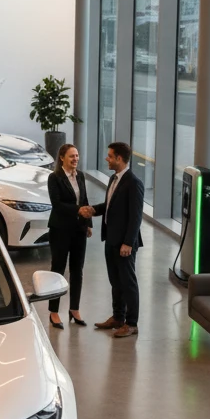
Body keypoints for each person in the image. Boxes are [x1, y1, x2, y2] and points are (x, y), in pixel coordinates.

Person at [79, 141, 144, 339]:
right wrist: (94, 210)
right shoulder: (113, 179)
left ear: (119, 158)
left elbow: (135, 217)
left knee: (128, 283)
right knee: (115, 281)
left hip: (124, 243)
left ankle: (131, 324)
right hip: (111, 239)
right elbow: (109, 206)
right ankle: (118, 317)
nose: (106, 159)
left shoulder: (133, 183)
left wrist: (128, 243)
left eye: (110, 156)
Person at [45, 143, 93, 329]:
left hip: (79, 229)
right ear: (62, 158)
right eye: (72, 156)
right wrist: (77, 210)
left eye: (77, 155)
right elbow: (56, 204)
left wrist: (88, 224)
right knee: (57, 269)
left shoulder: (80, 175)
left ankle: (74, 309)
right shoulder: (54, 178)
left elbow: (85, 199)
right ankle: (53, 312)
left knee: (77, 270)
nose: (75, 159)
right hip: (60, 229)